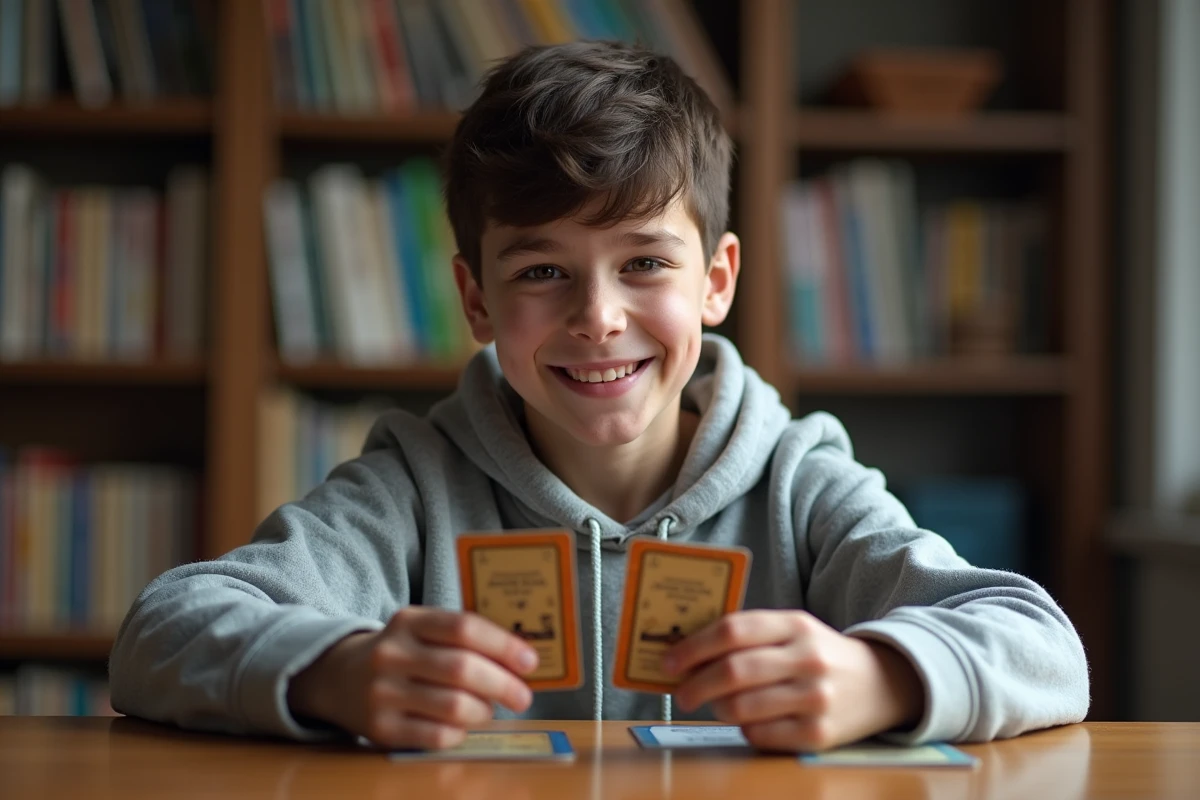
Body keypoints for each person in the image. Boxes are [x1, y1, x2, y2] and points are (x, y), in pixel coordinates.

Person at [108, 41, 1089, 752]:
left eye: (644, 263)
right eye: (542, 272)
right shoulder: (413, 481)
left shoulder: (800, 477)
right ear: (476, 298)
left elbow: (1046, 647)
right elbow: (164, 628)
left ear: (716, 280)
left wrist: (877, 677)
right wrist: (331, 671)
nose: (598, 315)